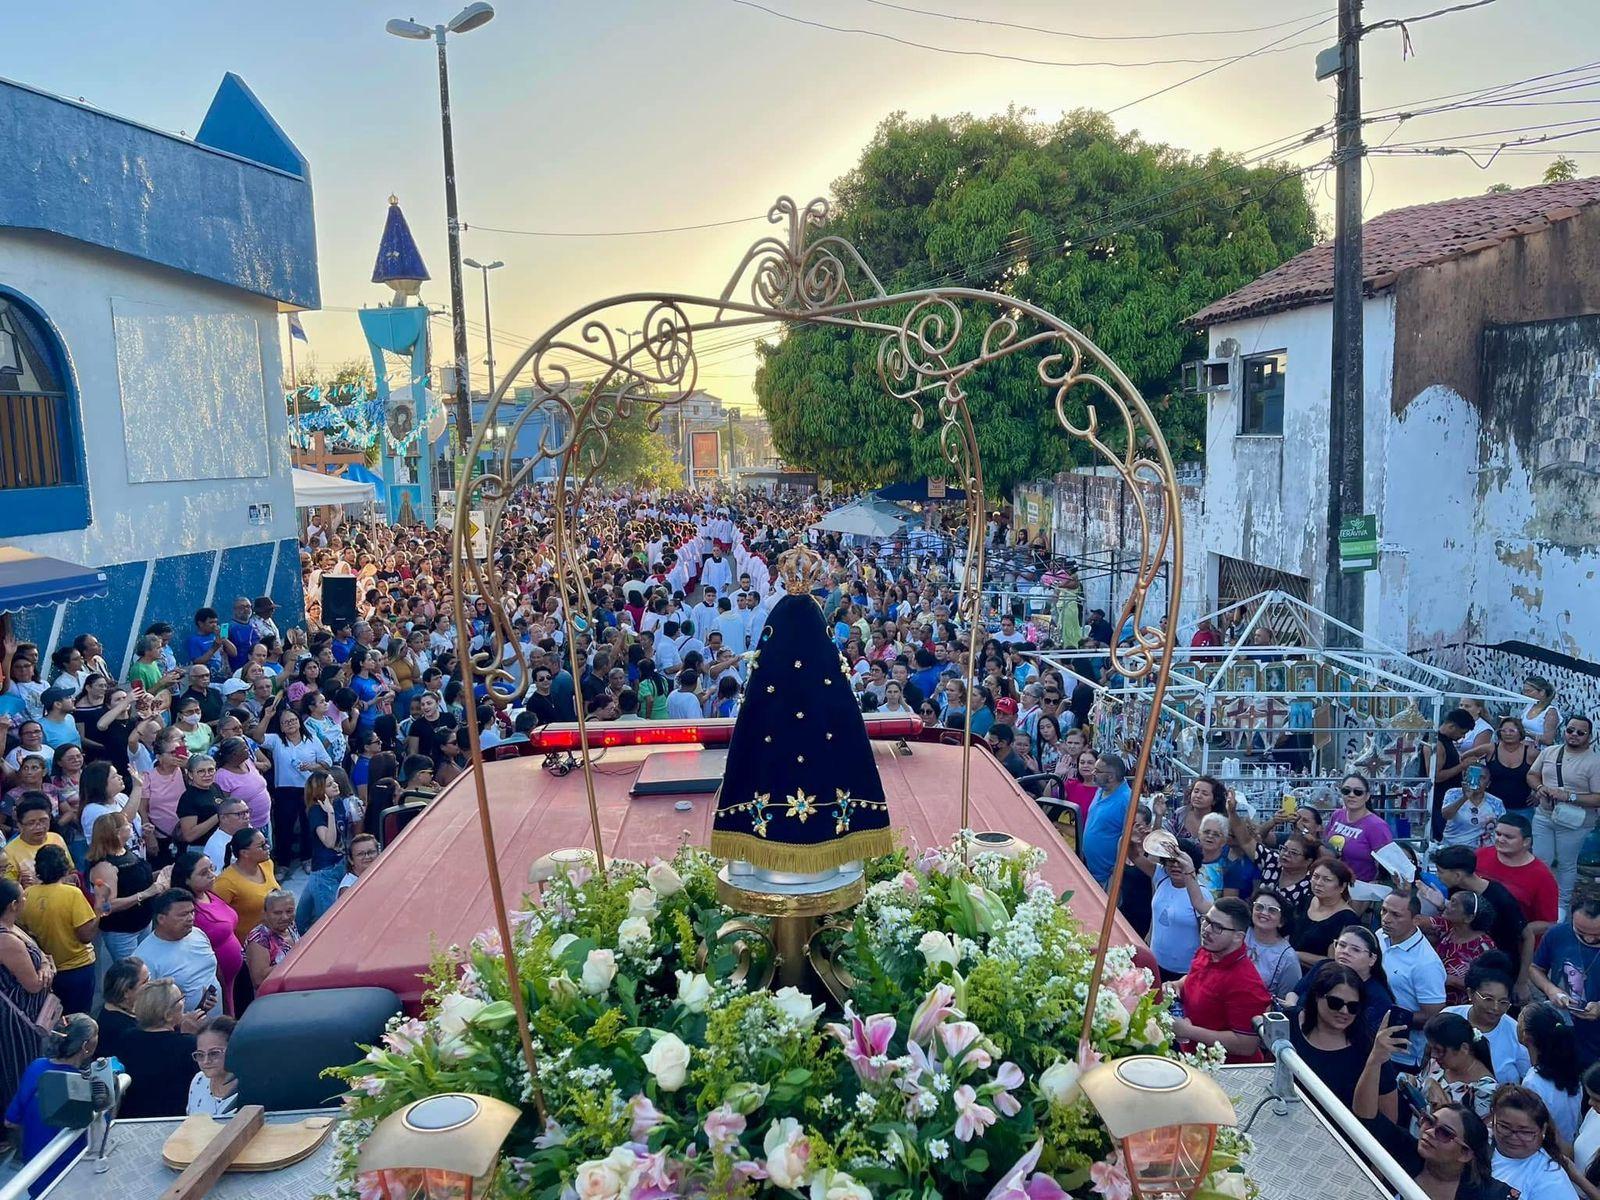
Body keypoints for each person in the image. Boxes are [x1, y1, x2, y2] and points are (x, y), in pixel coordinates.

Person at [1353, 1016, 1512, 1200]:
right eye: (1428, 1120)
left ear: (1466, 1152)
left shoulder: (1491, 1195)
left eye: (1444, 1133)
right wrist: (1375, 1059)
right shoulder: (1407, 1151)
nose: (1428, 1132)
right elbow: (1366, 1116)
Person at [4, 1015, 99, 1197]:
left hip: (34, 1166)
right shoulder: (84, 1085)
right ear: (86, 1047)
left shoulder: (36, 1067)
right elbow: (99, 1132)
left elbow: (11, 1121)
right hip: (67, 1171)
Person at [1171, 896, 1271, 1063]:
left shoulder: (1246, 983)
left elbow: (1246, 1045)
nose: (1207, 929)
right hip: (1191, 1057)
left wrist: (1189, 1031)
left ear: (1238, 937)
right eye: (1206, 921)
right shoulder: (1208, 951)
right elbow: (1196, 977)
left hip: (1224, 1070)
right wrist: (1178, 985)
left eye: (1217, 927)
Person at [20, 845, 101, 1014]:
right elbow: (85, 935)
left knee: (53, 1018)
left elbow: (24, 930)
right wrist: (98, 913)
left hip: (47, 969)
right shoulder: (72, 894)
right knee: (79, 1019)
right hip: (78, 968)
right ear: (65, 867)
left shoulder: (27, 894)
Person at [1530, 717, 1600, 910]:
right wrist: (1540, 787)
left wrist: (1568, 796)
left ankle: (1562, 904)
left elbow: (1598, 798)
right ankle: (1538, 898)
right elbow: (1532, 775)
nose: (1574, 735)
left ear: (1589, 736)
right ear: (1564, 731)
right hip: (1544, 815)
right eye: (1571, 730)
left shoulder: (1594, 762)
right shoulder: (1550, 752)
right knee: (1540, 859)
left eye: (1580, 733)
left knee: (1566, 864)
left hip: (1574, 822)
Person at [1477, 814, 1559, 978]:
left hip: (1513, 949)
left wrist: (1518, 930)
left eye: (1508, 836)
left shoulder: (1542, 876)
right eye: (1498, 834)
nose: (1500, 839)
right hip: (1476, 936)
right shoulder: (1481, 855)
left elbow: (1549, 923)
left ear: (1526, 842)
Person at [1433, 844, 1529, 982]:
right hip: (1464, 964)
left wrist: (1522, 982)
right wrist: (1442, 906)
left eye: (1440, 871)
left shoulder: (1501, 898)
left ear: (1457, 875)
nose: (1438, 876)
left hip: (1499, 972)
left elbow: (1527, 937)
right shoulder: (1456, 889)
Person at [1529, 893, 1600, 1077]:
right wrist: (1550, 989)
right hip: (1560, 1030)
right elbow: (1536, 968)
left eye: (1597, 934)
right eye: (1582, 933)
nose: (1590, 939)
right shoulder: (1558, 934)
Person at [0, 878, 55, 1116]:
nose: (26, 900)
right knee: (19, 1064)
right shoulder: (6, 940)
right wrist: (47, 971)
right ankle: (19, 1119)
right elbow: (33, 984)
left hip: (29, 1011)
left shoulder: (13, 926)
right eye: (23, 897)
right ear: (13, 904)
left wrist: (44, 965)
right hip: (17, 1017)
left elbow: (42, 954)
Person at [1290, 962, 1376, 1109]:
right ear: (1317, 996)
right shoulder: (1287, 1021)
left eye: (1353, 1006)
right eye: (1335, 1003)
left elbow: (1387, 1112)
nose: (1344, 1011)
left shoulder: (1367, 1046)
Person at [1287, 925, 1396, 1041]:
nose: (1345, 952)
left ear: (1372, 959)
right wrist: (1294, 1013)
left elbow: (1366, 1039)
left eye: (1355, 949)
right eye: (1342, 945)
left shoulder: (1379, 998)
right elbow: (1294, 993)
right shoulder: (1322, 966)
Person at [1382, 890, 1450, 1070]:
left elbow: (1432, 1016)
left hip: (1402, 1058)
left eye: (1396, 914)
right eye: (1383, 911)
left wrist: (1385, 1016)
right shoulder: (1380, 936)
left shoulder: (1426, 964)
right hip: (1372, 1040)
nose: (1386, 919)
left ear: (1416, 919)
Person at [172, 850, 243, 1017]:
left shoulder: (209, 893)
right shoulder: (187, 910)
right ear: (186, 880)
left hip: (236, 974)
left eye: (211, 869)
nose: (212, 875)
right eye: (204, 873)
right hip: (218, 979)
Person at [117, 977, 200, 1119]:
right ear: (168, 1014)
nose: (183, 1002)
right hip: (175, 1119)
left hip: (133, 1118)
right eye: (180, 999)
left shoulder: (126, 1038)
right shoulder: (189, 1045)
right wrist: (189, 1035)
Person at [1447, 953, 1531, 1086]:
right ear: (1471, 993)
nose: (1495, 1008)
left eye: (1503, 1002)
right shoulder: (1448, 1017)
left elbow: (1527, 1078)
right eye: (1488, 999)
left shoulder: (1517, 1033)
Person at [1401, 1012, 1500, 1121]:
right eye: (1431, 1049)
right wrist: (1427, 1083)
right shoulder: (1436, 1064)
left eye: (1439, 1050)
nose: (1433, 1055)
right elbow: (1414, 1083)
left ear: (1464, 1048)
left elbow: (1474, 1134)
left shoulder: (1485, 1090)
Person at [133, 889, 221, 1012]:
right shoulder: (143, 959)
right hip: (182, 1028)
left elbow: (213, 971)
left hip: (216, 1023)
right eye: (183, 915)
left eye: (192, 912)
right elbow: (145, 1008)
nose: (191, 918)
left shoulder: (198, 934)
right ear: (161, 919)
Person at [1489, 1085, 1579, 1200]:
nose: (1513, 1137)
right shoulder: (1478, 1145)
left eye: (1525, 1132)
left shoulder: (1551, 1179)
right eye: (1504, 1127)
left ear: (1543, 1130)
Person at [1520, 1002, 1585, 1146]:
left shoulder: (1532, 1082)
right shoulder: (1570, 1071)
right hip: (1572, 1143)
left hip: (1553, 1150)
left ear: (1526, 1036)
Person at [1149, 840, 1209, 978]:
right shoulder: (1161, 878)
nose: (1175, 865)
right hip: (1155, 963)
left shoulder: (1203, 895)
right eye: (1171, 860)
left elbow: (1205, 937)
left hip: (1184, 973)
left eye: (1180, 862)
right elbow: (1135, 856)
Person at [1428, 889, 1501, 1004]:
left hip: (1464, 1009)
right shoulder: (1450, 930)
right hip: (1436, 999)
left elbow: (1489, 986)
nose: (1447, 905)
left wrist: (1451, 980)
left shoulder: (1485, 948)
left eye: (1453, 903)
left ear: (1469, 918)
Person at [213, 828, 280, 943]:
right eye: (261, 846)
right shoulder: (225, 882)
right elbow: (217, 919)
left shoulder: (267, 863)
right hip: (250, 944)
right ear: (244, 853)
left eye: (266, 843)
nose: (267, 847)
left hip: (276, 935)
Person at [1327, 771, 1394, 882]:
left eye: (1358, 792)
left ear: (1367, 796)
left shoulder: (1377, 826)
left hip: (1360, 888)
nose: (1351, 795)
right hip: (1332, 884)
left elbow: (1387, 865)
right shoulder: (1337, 815)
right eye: (1346, 791)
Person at [1293, 858, 1360, 967]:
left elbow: (1335, 961)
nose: (1318, 883)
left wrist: (1295, 955)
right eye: (1315, 876)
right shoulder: (1306, 900)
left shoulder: (1348, 919)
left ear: (1342, 886)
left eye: (1327, 879)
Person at [1082, 752, 1134, 887]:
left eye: (1097, 771)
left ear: (1110, 777)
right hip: (1090, 871)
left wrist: (1117, 869)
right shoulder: (1100, 789)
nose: (1093, 772)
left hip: (1109, 878)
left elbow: (1131, 838)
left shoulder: (1127, 800)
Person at [1245, 887, 1302, 1001]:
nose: (1264, 913)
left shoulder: (1288, 957)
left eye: (1272, 910)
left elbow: (1285, 1002)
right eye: (1259, 907)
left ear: (1282, 921)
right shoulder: (1238, 931)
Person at [1442, 764, 1509, 851]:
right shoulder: (1453, 794)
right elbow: (1446, 815)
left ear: (1488, 783)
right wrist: (1464, 797)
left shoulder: (1496, 802)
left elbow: (1502, 827)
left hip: (1484, 850)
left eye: (1482, 778)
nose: (1478, 781)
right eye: (1474, 776)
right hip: (1454, 848)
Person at [3, 795, 67, 885]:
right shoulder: (9, 853)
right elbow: (7, 888)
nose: (39, 827)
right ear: (20, 825)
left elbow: (70, 870)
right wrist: (20, 884)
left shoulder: (57, 839)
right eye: (31, 823)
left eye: (43, 820)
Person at [96, 956, 149, 1060]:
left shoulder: (125, 1008)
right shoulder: (122, 1029)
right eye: (144, 982)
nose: (150, 985)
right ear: (126, 992)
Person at [244, 888, 298, 989]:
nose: (285, 917)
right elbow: (259, 979)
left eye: (289, 911)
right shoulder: (259, 939)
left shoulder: (290, 925)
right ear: (265, 914)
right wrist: (296, 959)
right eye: (277, 913)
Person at [186, 1015, 239, 1117]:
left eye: (214, 1053)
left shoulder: (249, 1087)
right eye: (200, 1055)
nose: (206, 1061)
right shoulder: (199, 1080)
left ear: (233, 1048)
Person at [1489, 716, 1539, 815]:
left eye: (1512, 730)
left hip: (1522, 808)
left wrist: (1538, 793)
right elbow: (1466, 758)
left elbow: (1548, 773)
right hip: (1492, 808)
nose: (1508, 733)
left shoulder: (1532, 753)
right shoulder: (1490, 749)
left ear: (1520, 732)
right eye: (1504, 730)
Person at [1522, 678, 1563, 749]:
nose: (1525, 694)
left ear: (1542, 692)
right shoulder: (1529, 706)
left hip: (1540, 751)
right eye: (1524, 691)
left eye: (1528, 691)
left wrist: (1527, 734)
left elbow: (1548, 740)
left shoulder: (1551, 712)